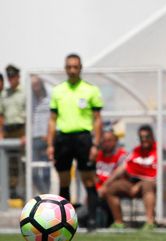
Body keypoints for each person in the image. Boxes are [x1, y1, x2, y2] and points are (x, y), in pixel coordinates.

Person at [48, 53, 104, 230]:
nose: (72, 70)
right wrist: (50, 144)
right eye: (69, 67)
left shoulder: (90, 90)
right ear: (65, 69)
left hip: (83, 139)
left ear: (80, 68)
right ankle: (64, 221)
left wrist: (96, 144)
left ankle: (93, 221)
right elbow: (52, 119)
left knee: (88, 179)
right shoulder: (58, 90)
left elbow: (97, 119)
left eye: (75, 67)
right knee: (64, 180)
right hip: (63, 139)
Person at [102, 125, 159, 230]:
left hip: (151, 184)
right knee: (112, 188)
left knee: (147, 185)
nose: (144, 140)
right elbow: (122, 168)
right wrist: (105, 185)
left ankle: (150, 222)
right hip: (133, 183)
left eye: (146, 137)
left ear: (152, 136)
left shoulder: (159, 150)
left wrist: (140, 184)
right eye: (141, 137)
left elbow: (160, 174)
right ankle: (119, 222)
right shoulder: (136, 151)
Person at [1, 64, 25, 199]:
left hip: (21, 129)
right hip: (8, 130)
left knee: (23, 161)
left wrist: (26, 134)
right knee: (10, 163)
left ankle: (25, 188)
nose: (11, 79)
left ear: (18, 77)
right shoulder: (4, 94)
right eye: (9, 77)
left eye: (13, 76)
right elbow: (1, 115)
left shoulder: (24, 93)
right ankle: (12, 190)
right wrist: (1, 133)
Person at [94, 130, 127, 228]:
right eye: (103, 141)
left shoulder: (122, 155)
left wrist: (104, 186)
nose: (105, 143)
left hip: (112, 188)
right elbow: (93, 175)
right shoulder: (97, 155)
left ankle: (118, 222)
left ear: (115, 141)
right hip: (98, 191)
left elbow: (121, 173)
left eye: (109, 140)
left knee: (110, 190)